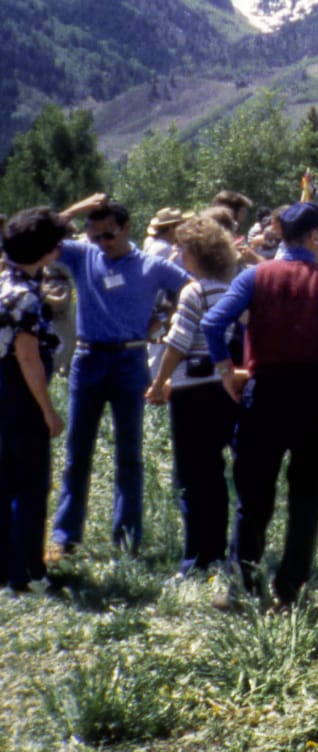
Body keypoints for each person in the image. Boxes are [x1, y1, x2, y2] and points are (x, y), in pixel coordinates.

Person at [202, 202, 318, 608]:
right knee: (307, 497)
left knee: (253, 496)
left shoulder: (254, 276)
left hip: (263, 392)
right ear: (315, 237)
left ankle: (243, 589)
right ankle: (290, 586)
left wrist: (226, 371)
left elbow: (214, 323)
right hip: (316, 392)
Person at [52, 195, 191, 558]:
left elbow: (193, 290)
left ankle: (127, 540)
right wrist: (74, 210)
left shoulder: (151, 266)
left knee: (129, 454)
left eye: (109, 236)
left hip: (130, 362)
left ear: (127, 228)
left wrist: (163, 318)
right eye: (94, 236)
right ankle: (66, 537)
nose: (102, 244)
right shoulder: (83, 256)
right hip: (87, 359)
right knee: (76, 453)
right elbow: (35, 238)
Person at [145, 215, 244, 578]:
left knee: (192, 476)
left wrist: (159, 383)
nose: (177, 251)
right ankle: (219, 552)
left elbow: (178, 343)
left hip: (193, 393)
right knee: (217, 475)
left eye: (182, 246)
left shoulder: (194, 290)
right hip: (224, 387)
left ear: (195, 252)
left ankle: (195, 559)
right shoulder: (231, 287)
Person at [0, 209, 69, 594]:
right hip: (20, 393)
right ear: (43, 251)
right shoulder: (25, 298)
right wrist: (48, 410)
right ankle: (29, 571)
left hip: (1, 389)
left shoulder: (2, 285)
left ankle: (6, 569)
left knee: (5, 482)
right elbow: (27, 358)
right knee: (30, 485)